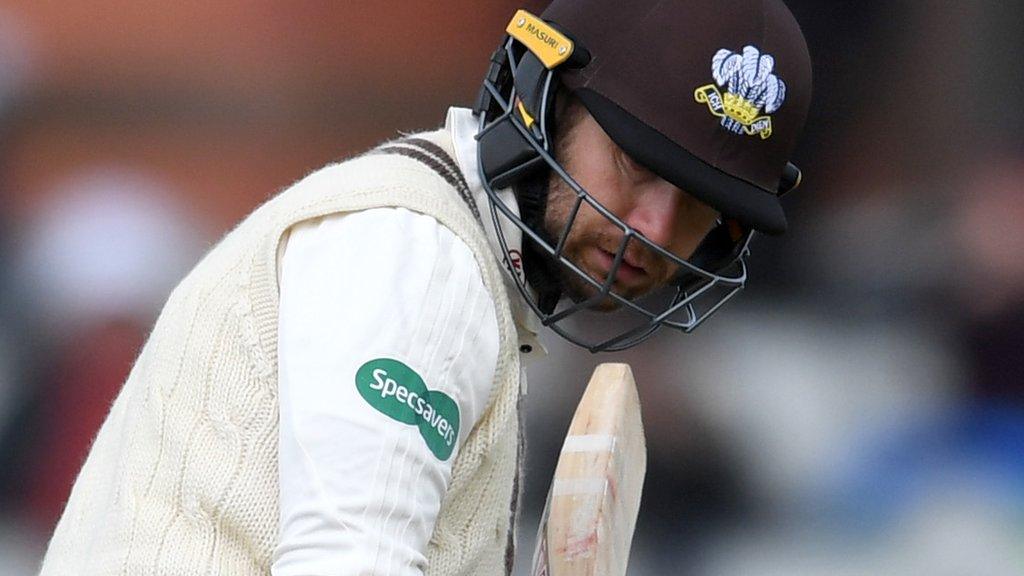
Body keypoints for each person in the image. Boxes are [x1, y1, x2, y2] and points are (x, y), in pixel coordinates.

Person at [38, 0, 812, 575]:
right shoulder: (420, 259)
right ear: (542, 102)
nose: (654, 225)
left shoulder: (458, 260)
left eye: (700, 203)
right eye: (638, 164)